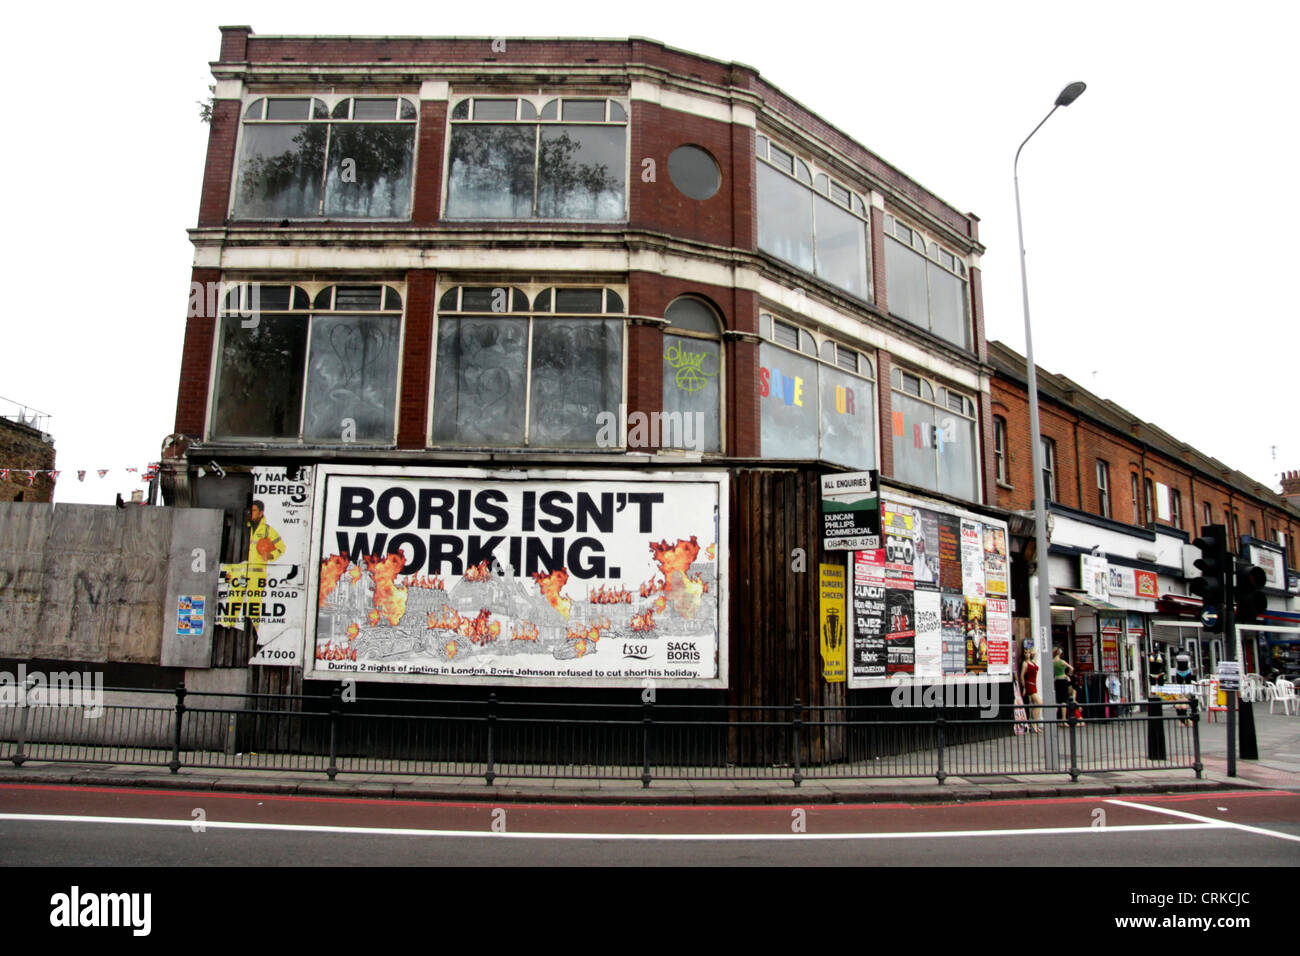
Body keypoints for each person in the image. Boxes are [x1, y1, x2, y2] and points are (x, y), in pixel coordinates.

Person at [1020, 647, 1043, 732]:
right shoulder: (1025, 663)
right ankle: (1034, 724)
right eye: (1026, 653)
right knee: (1039, 702)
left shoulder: (1032, 662)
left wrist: (1034, 651)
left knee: (1036, 704)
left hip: (1034, 684)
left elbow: (1036, 653)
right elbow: (1022, 676)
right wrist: (1024, 687)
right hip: (1029, 684)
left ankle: (1035, 724)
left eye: (1029, 652)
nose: (1028, 654)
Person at [1052, 647, 1074, 720]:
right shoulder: (1062, 661)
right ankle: (1064, 719)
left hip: (1056, 680)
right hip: (1063, 679)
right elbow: (1071, 668)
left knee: (1058, 699)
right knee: (1064, 699)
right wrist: (1068, 675)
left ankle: (1054, 718)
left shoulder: (1052, 662)